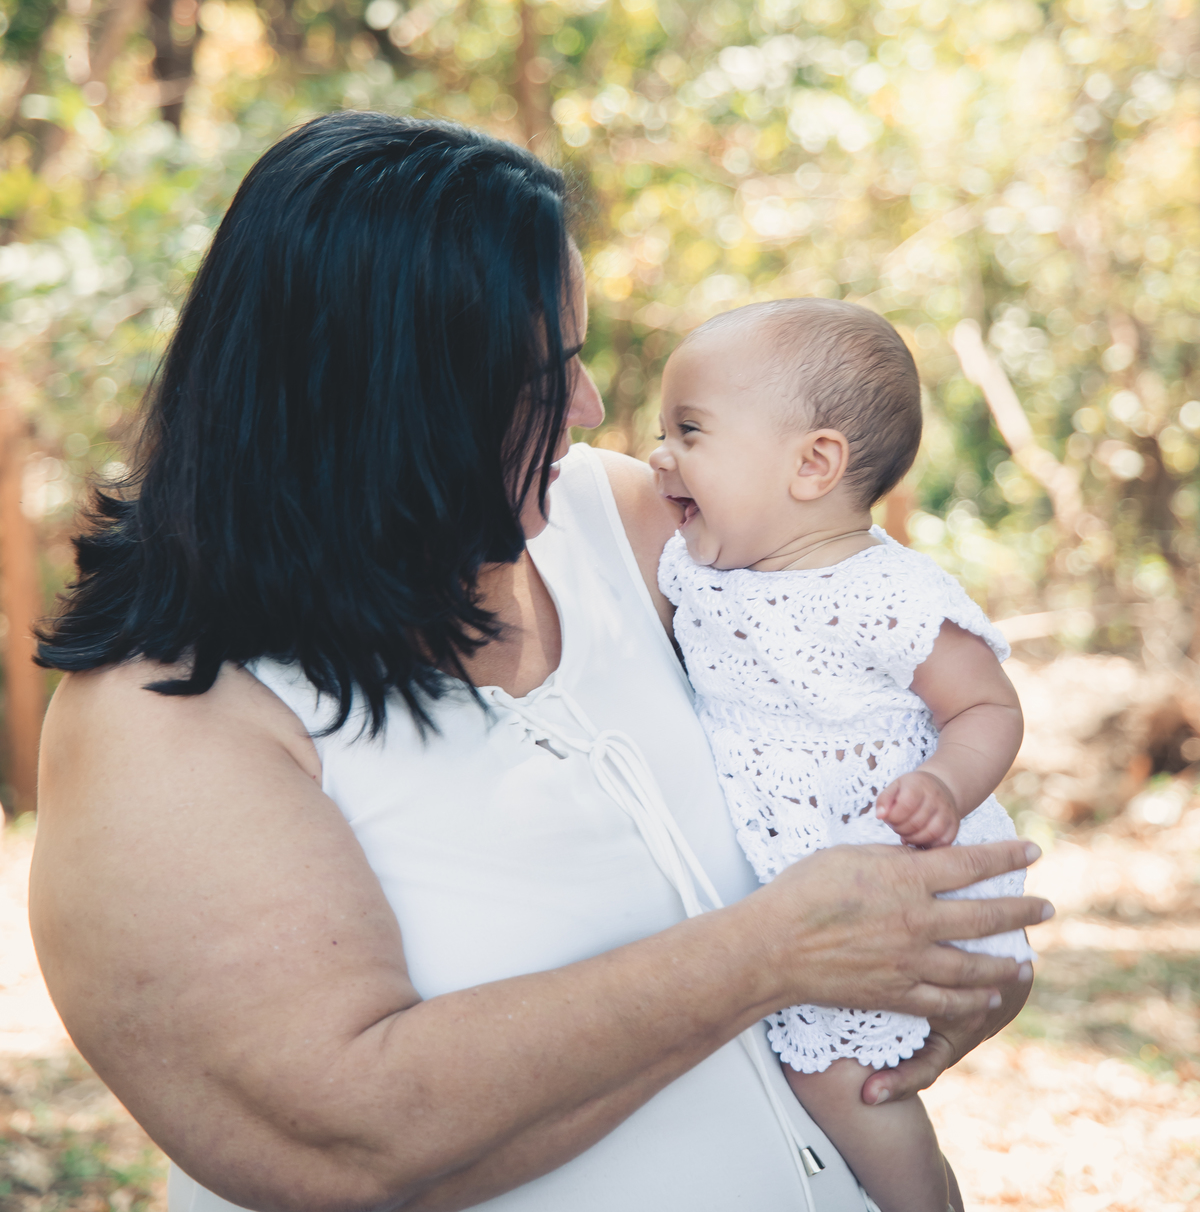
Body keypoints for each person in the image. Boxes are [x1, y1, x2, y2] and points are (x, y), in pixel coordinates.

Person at [30, 115, 1050, 1212]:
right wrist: (770, 956)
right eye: (546, 373)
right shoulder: (168, 717)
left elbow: (875, 668)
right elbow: (339, 1143)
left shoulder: (627, 523)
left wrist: (950, 947)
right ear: (391, 396)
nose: (592, 409)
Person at [651, 298, 1034, 1212]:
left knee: (842, 1084)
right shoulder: (692, 566)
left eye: (688, 432)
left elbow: (987, 705)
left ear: (813, 464)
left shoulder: (886, 593)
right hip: (791, 864)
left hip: (882, 867)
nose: (659, 457)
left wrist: (944, 783)